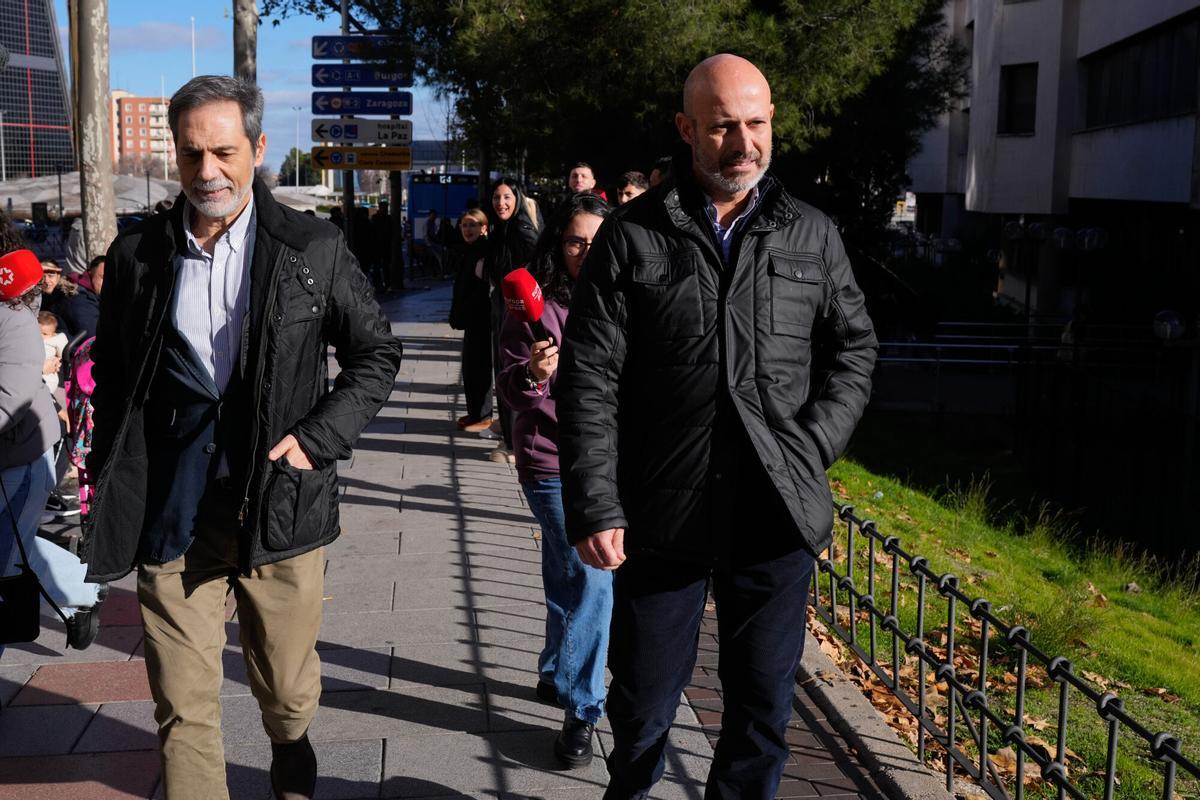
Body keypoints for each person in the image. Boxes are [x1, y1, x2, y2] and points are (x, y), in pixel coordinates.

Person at [557, 54, 878, 799]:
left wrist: (814, 444)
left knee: (762, 715)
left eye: (757, 123)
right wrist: (596, 503)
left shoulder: (812, 234)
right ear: (686, 128)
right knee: (641, 712)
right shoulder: (633, 236)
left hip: (773, 519)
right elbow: (590, 379)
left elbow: (854, 350)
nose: (744, 144)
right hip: (661, 518)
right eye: (724, 126)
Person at [83, 76, 404, 800]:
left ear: (258, 149)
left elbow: (376, 354)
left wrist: (319, 437)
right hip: (173, 512)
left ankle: (291, 745)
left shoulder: (312, 247)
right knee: (183, 706)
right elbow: (112, 372)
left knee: (286, 692)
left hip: (280, 506)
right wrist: (109, 473)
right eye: (192, 155)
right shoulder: (137, 256)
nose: (207, 173)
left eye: (224, 153)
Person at [497, 192, 615, 768]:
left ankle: (553, 670)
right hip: (550, 459)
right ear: (558, 243)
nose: (585, 252)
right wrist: (535, 374)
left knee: (565, 570)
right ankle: (583, 708)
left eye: (596, 241)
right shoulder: (533, 306)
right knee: (593, 575)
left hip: (610, 460)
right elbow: (512, 391)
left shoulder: (624, 297)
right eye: (575, 240)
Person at [0, 243, 104, 653]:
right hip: (19, 451)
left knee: (8, 558)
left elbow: (12, 396)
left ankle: (83, 589)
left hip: (21, 454)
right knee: (11, 546)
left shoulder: (12, 321)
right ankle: (83, 587)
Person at [484, 179, 541, 464]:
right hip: (503, 310)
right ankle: (512, 437)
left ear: (518, 199)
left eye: (507, 197)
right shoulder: (502, 230)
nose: (501, 203)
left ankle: (515, 441)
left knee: (512, 373)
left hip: (515, 314)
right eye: (496, 197)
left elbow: (538, 267)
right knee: (505, 374)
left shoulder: (521, 229)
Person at [448, 208, 495, 433]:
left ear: (484, 228)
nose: (468, 229)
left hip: (482, 319)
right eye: (465, 225)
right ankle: (476, 412)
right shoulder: (469, 251)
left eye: (473, 225)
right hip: (473, 319)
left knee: (479, 367)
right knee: (470, 367)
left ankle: (484, 415)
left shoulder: (483, 251)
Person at [60, 254, 104, 340]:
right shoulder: (79, 299)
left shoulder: (96, 295)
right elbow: (94, 337)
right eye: (103, 277)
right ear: (90, 273)